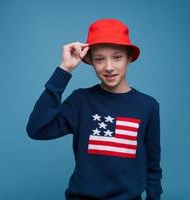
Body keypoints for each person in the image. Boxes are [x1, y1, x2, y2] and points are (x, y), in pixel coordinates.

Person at [26, 18, 163, 200]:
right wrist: (64, 70)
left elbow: (152, 166)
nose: (108, 67)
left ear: (129, 58)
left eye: (117, 57)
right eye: (99, 59)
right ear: (90, 61)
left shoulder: (148, 106)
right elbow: (37, 129)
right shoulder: (81, 101)